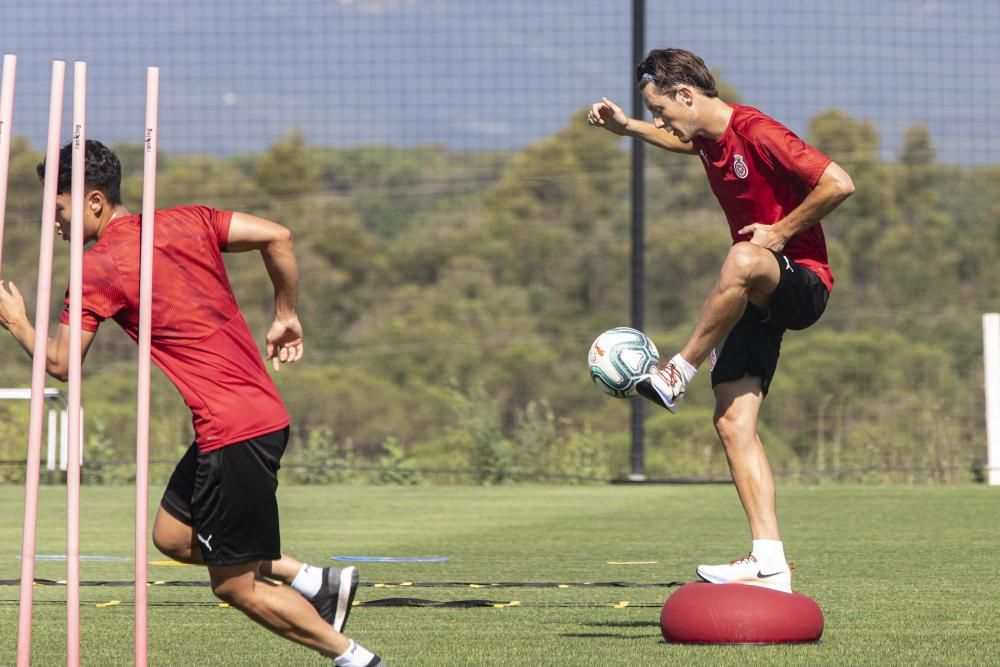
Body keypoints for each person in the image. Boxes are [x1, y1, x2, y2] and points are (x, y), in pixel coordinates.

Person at [0, 140, 385, 666]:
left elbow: (64, 365)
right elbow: (278, 235)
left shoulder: (98, 268)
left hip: (234, 429)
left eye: (59, 210)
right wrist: (285, 313)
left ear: (93, 202)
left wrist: (18, 322)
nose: (55, 225)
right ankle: (313, 579)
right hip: (249, 417)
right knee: (173, 536)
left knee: (235, 587)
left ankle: (355, 659)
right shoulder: (190, 220)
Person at [588, 49, 854, 593]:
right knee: (733, 422)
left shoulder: (756, 131)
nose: (661, 119)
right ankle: (769, 561)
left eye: (661, 108)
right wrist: (628, 127)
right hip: (760, 296)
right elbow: (680, 140)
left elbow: (838, 182)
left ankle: (675, 372)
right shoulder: (706, 138)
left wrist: (780, 233)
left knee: (741, 256)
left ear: (687, 96)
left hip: (801, 282)